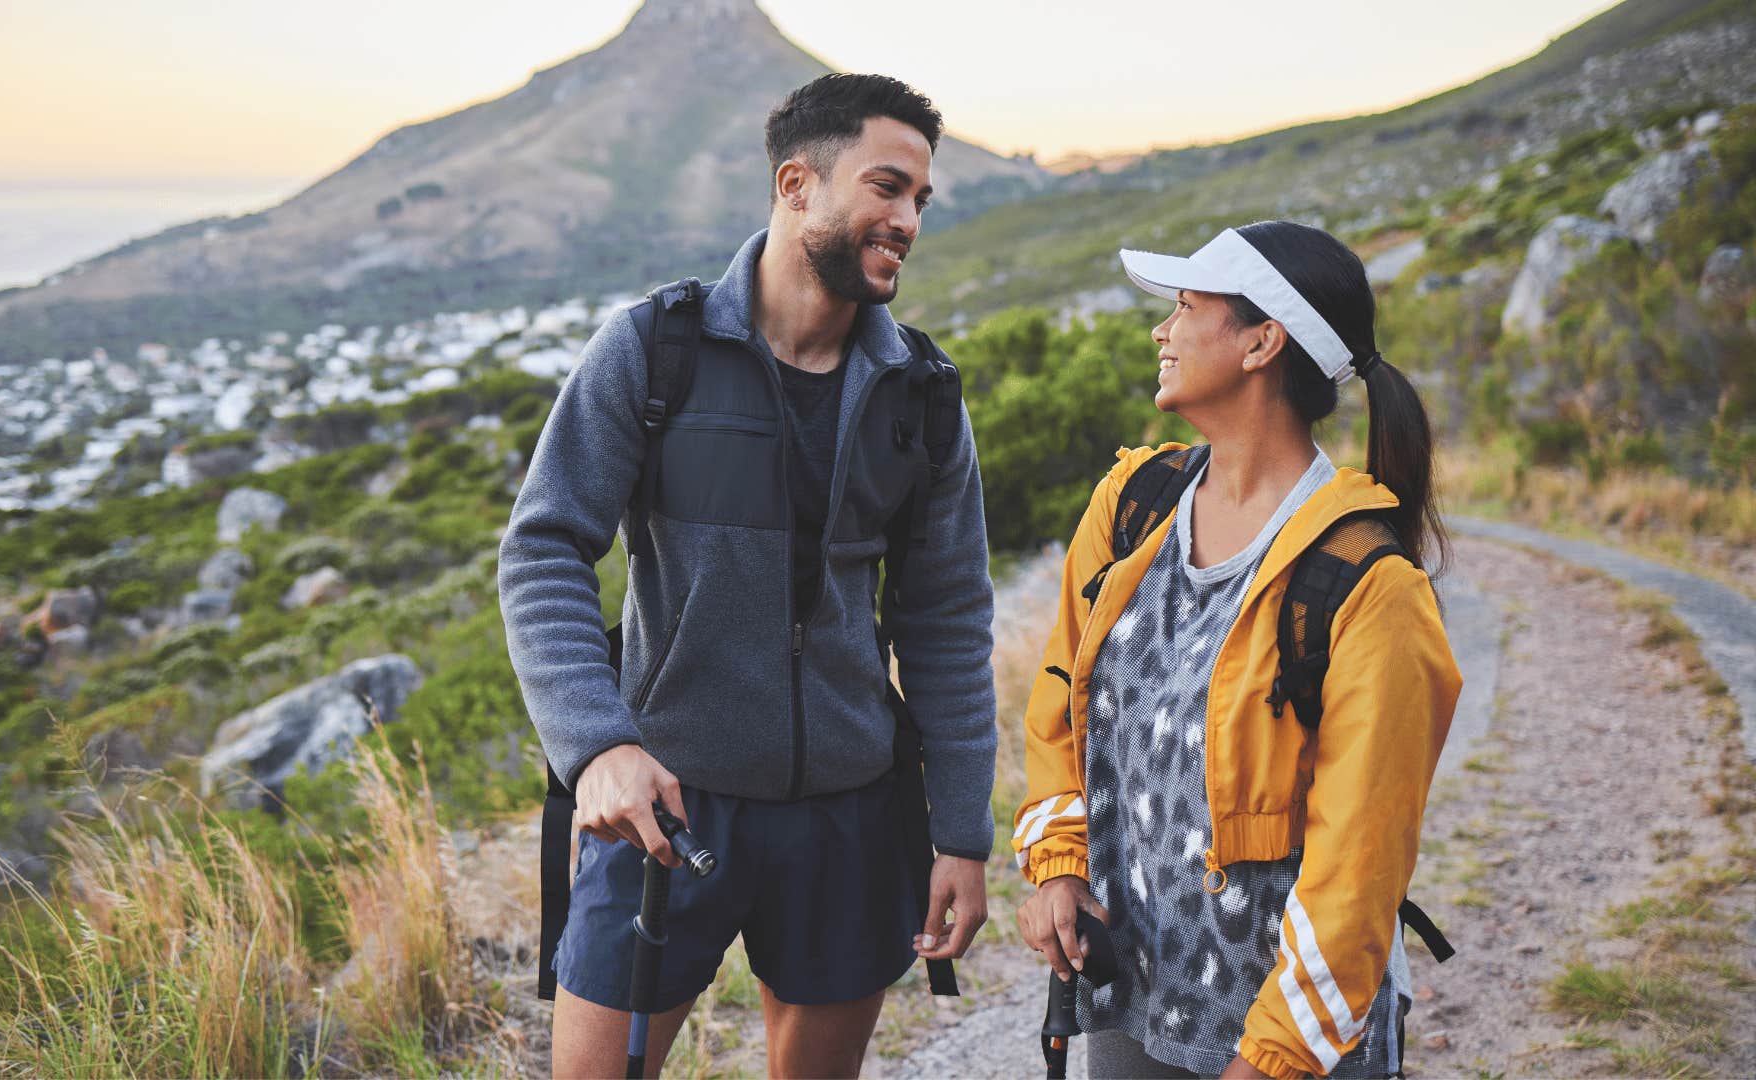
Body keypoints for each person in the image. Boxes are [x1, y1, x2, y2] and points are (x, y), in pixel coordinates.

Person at [498, 73, 996, 1079]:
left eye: (918, 201)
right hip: (663, 808)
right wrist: (596, 748)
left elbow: (945, 621)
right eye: (886, 187)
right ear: (797, 183)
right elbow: (544, 547)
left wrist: (962, 832)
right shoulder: (654, 353)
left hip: (851, 817)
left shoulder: (923, 398)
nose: (905, 221)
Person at [1011, 221, 1462, 1079]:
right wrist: (1058, 868)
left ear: (1263, 342)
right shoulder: (1131, 504)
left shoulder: (1370, 585)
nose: (1162, 330)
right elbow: (1061, 703)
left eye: (1185, 307)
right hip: (1126, 999)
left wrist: (1274, 1060)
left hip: (1278, 1035)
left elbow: (1358, 866)